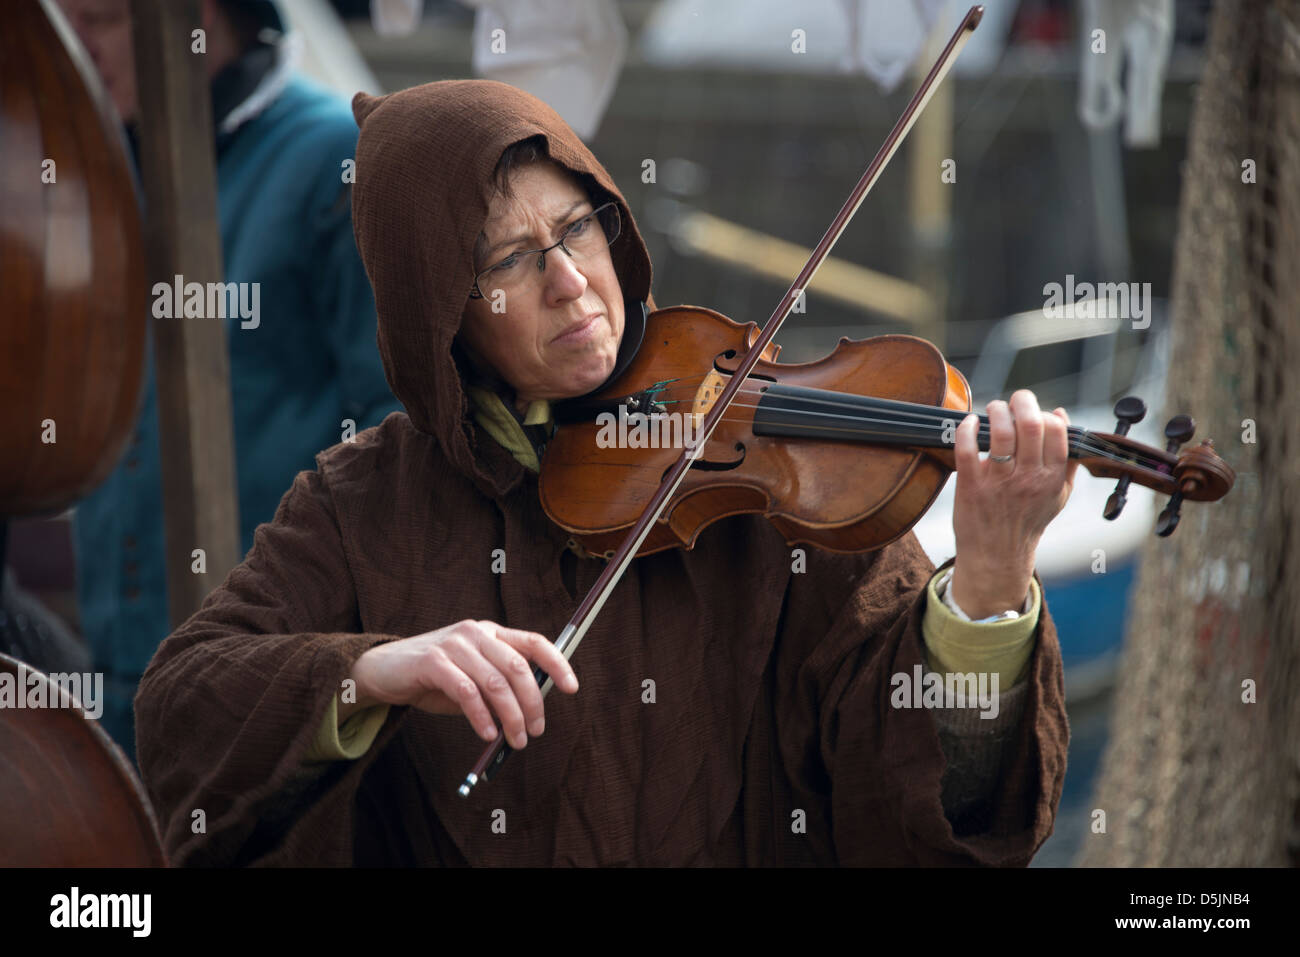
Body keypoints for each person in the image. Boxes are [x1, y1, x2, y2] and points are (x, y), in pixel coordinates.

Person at [135, 79, 1072, 866]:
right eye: (510, 258)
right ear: (440, 313)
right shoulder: (362, 503)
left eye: (579, 229)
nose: (572, 282)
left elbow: (930, 806)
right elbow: (182, 711)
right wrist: (371, 671)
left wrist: (987, 591)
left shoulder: (778, 479)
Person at [57, 0, 401, 762]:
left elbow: (395, 429)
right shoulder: (102, 162)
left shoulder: (335, 156)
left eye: (103, 19)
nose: (78, 47)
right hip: (119, 663)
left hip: (277, 676)